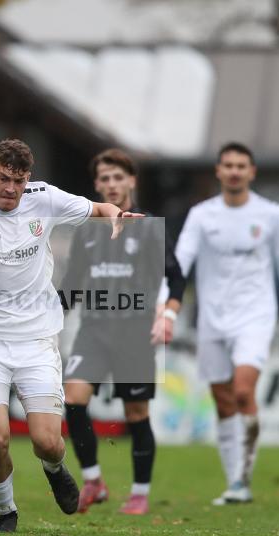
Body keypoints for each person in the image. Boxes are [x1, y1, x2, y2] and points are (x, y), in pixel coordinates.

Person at [0, 139, 140, 532]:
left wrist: (113, 213)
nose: (10, 189)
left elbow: (97, 207)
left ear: (28, 180)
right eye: (3, 179)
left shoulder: (45, 198)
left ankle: (55, 469)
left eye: (18, 182)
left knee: (47, 442)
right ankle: (6, 512)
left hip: (37, 339)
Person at [174, 142, 279, 505]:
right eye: (228, 165)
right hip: (212, 319)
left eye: (241, 165)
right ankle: (234, 481)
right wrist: (165, 306)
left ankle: (243, 479)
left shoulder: (271, 214)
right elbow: (181, 261)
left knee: (244, 392)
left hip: (255, 316)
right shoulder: (202, 215)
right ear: (218, 171)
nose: (234, 171)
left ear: (252, 172)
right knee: (223, 402)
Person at [59, 148, 185, 516]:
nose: (112, 185)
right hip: (94, 330)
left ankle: (140, 493)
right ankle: (94, 481)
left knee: (135, 413)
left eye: (118, 178)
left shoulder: (148, 227)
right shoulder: (87, 231)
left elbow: (176, 276)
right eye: (105, 179)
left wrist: (169, 316)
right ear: (96, 185)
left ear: (132, 181)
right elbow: (71, 284)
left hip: (135, 331)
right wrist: (48, 319)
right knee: (74, 398)